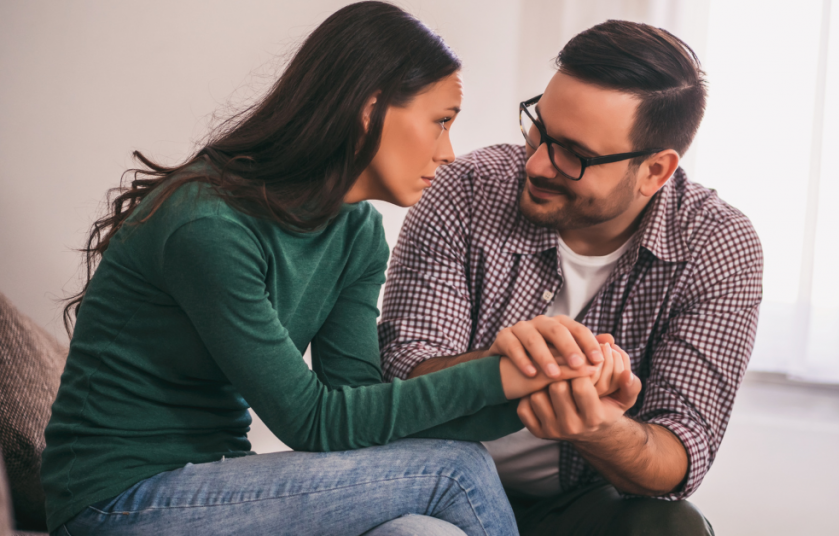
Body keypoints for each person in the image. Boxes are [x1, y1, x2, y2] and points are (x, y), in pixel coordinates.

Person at [41, 3, 630, 535]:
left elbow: (361, 407)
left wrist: (543, 385)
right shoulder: (207, 225)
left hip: (217, 483)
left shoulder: (356, 234)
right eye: (441, 121)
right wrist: (502, 375)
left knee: (419, 532)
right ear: (371, 110)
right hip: (117, 500)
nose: (448, 152)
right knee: (457, 470)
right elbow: (314, 421)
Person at [379, 20, 763, 535]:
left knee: (672, 525)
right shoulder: (465, 188)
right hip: (429, 483)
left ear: (655, 171)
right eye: (540, 128)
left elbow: (678, 454)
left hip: (577, 504)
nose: (537, 165)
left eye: (575, 155)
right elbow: (402, 372)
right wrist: (512, 365)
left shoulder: (716, 244)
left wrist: (597, 426)